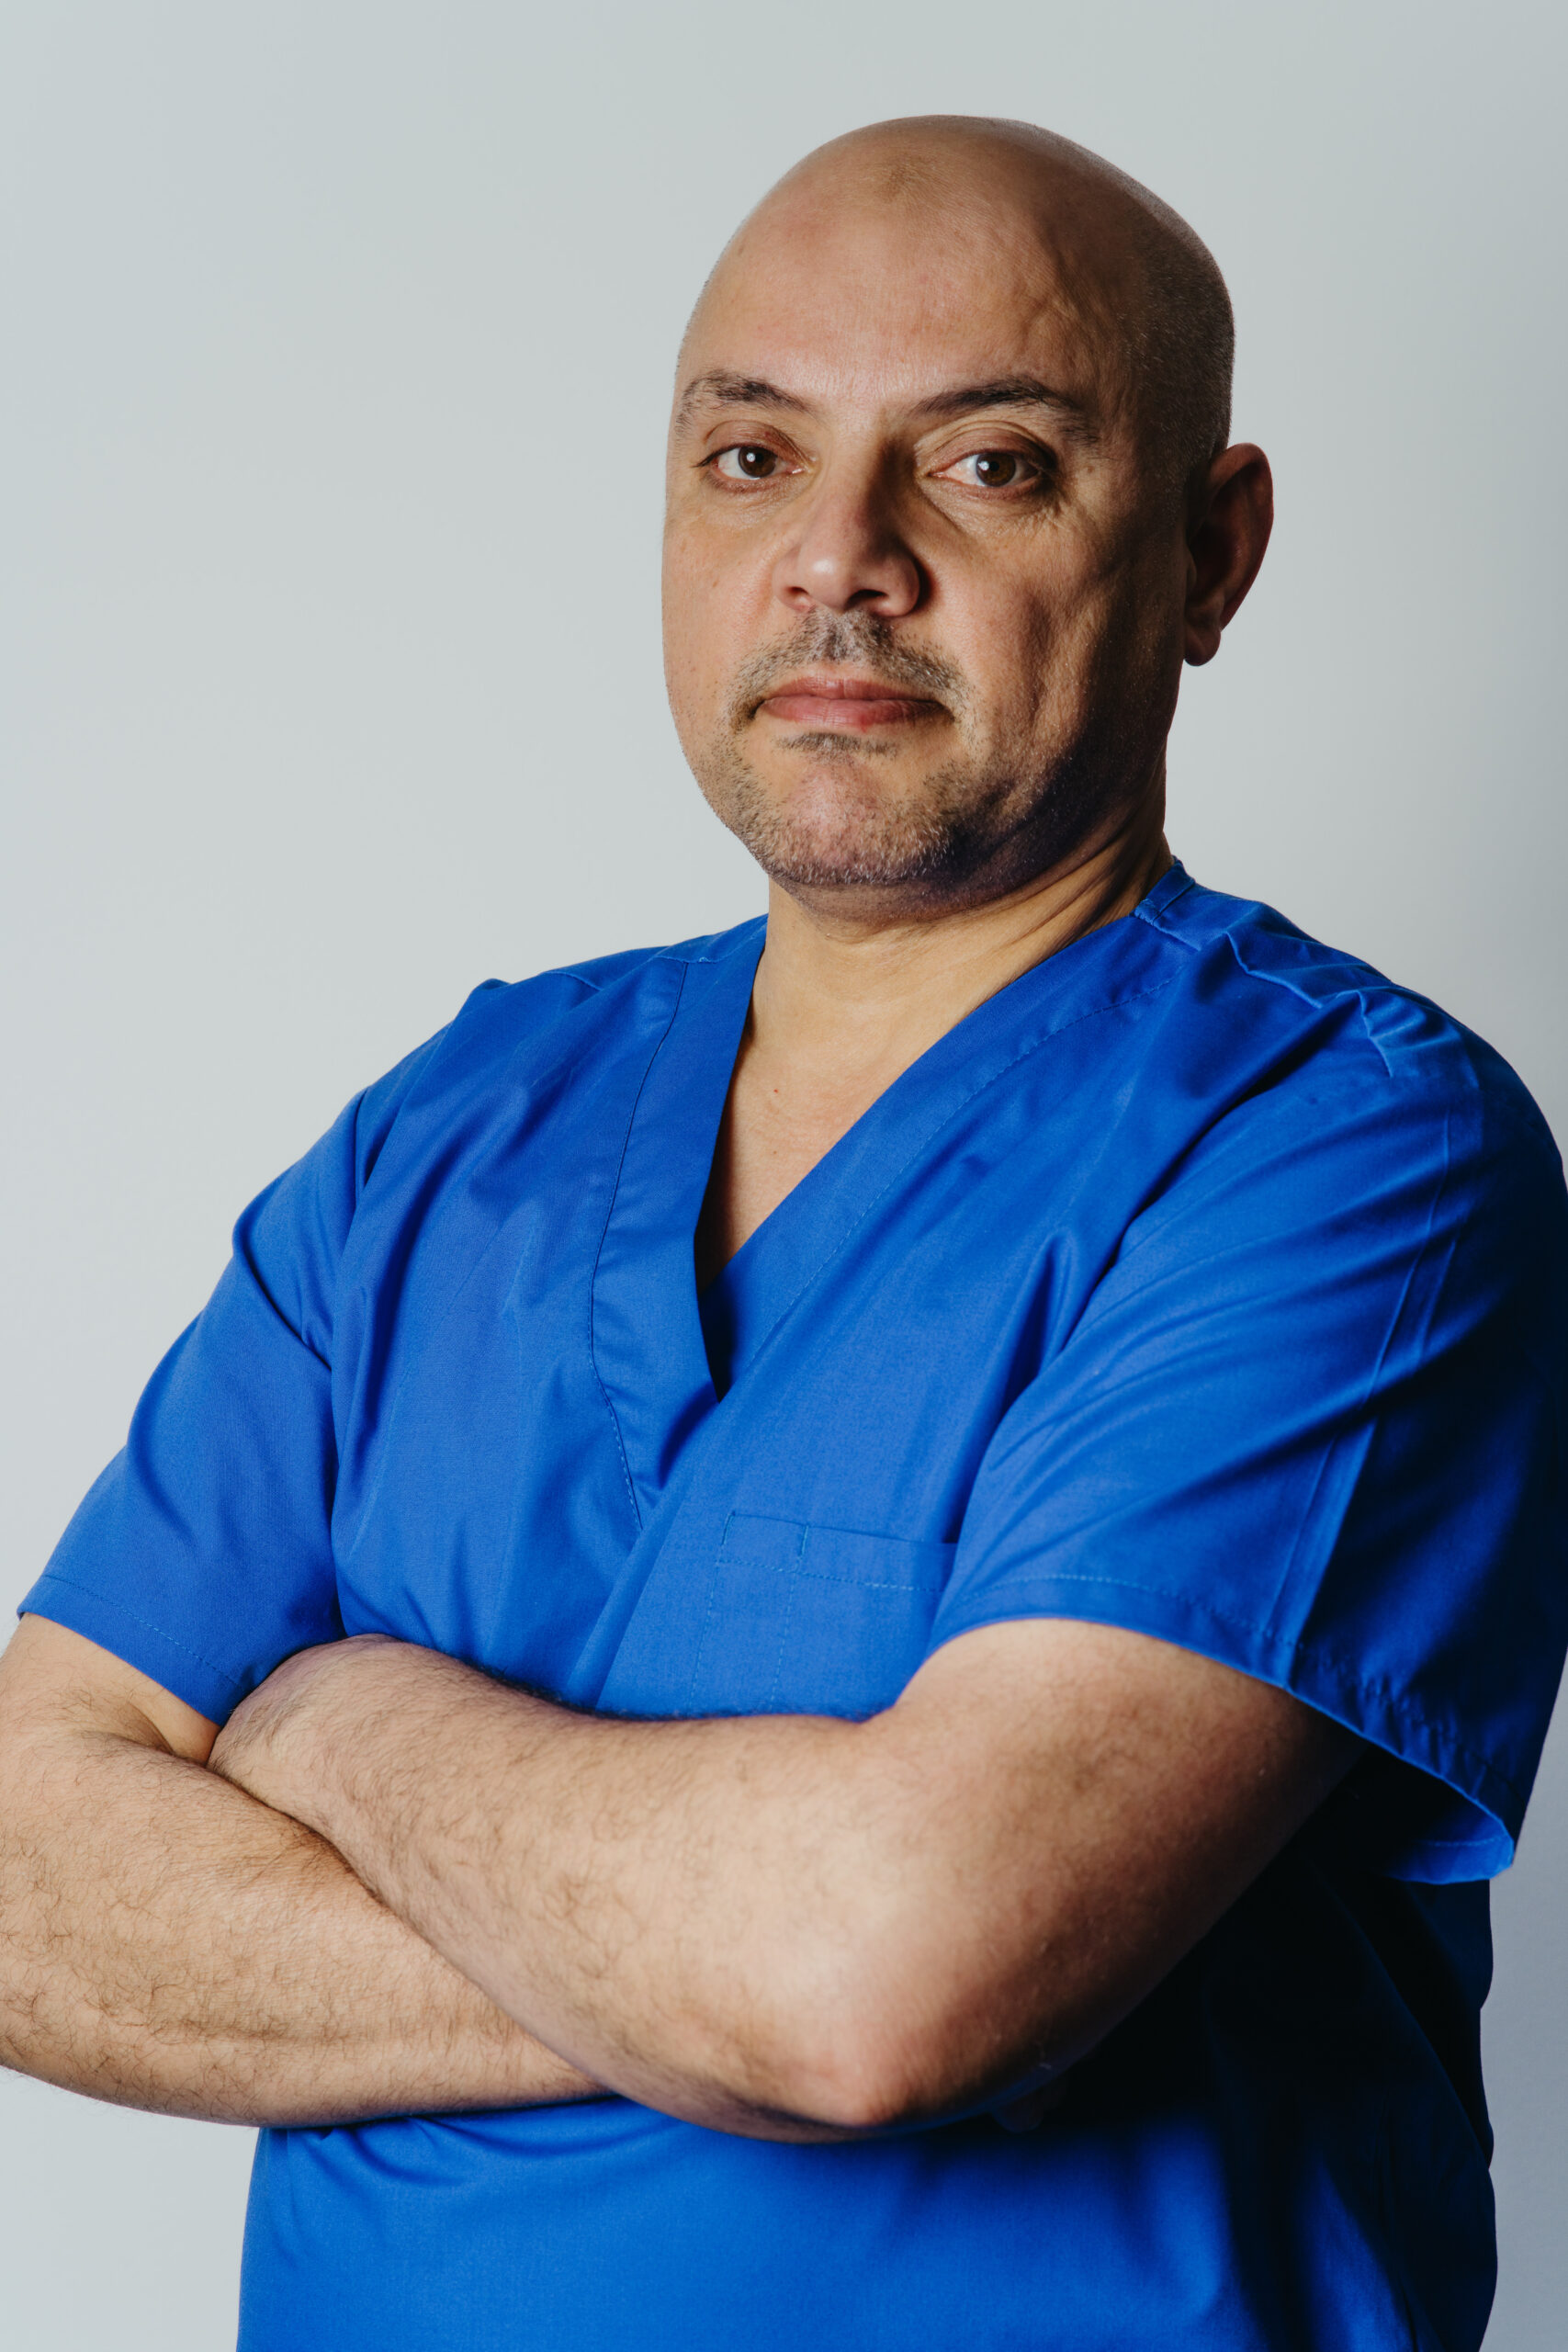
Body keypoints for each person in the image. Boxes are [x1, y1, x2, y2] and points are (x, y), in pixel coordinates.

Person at [1, 112, 1563, 2352]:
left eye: (987, 465)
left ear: (1206, 555)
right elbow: (26, 1882)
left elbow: (877, 1979)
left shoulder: (1343, 1152)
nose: (840, 558)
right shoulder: (450, 1131)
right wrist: (704, 1961)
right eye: (750, 458)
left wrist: (339, 1724)